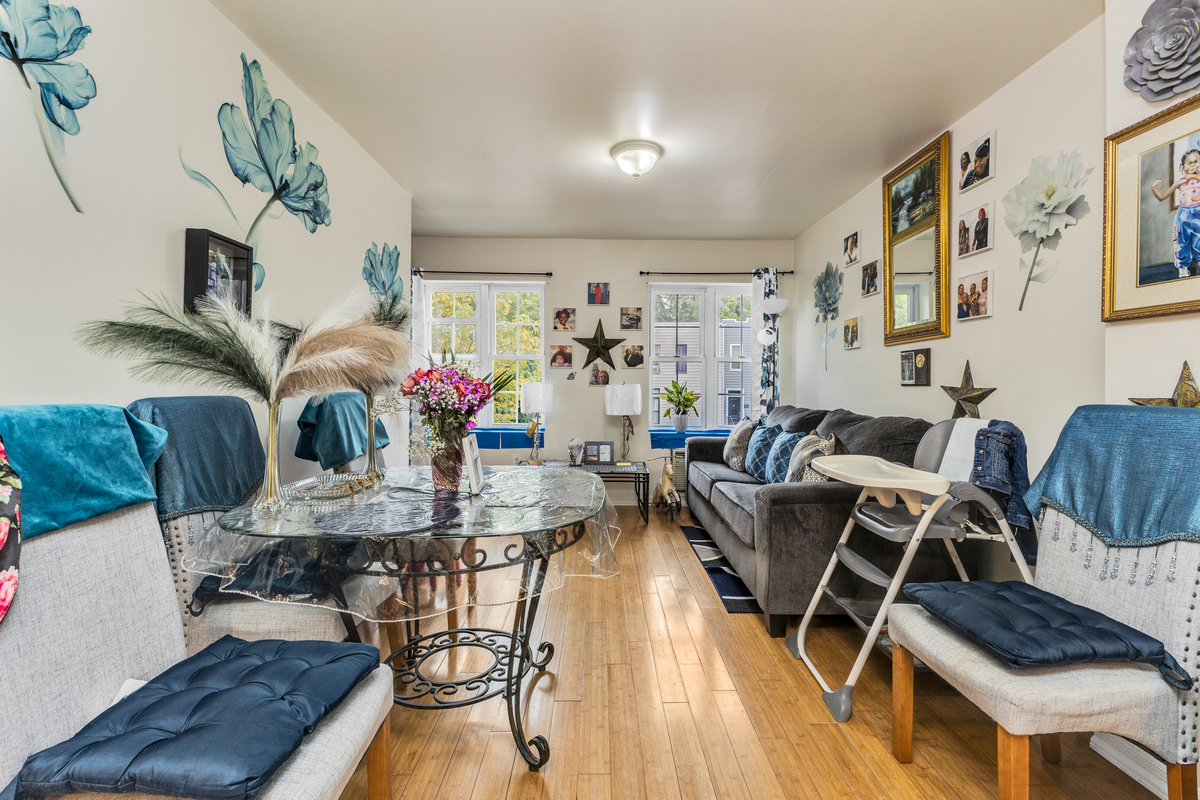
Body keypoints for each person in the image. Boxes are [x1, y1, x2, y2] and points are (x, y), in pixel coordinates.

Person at [1152, 148, 1200, 278]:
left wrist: (1194, 176)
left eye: (1197, 161)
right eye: (1190, 163)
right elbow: (1162, 196)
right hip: (1183, 215)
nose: (1194, 165)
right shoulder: (1180, 182)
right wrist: (1153, 188)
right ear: (1182, 167)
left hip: (1198, 212)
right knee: (1180, 241)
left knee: (1199, 240)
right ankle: (1182, 267)